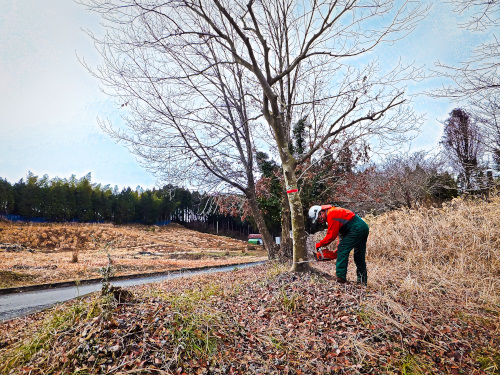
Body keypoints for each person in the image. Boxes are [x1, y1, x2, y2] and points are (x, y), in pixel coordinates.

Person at [309, 205, 369, 285]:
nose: (320, 222)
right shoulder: (332, 212)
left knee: (345, 250)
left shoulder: (331, 214)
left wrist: (320, 244)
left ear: (321, 213)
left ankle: (341, 278)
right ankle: (362, 281)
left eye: (319, 219)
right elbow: (340, 235)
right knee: (358, 256)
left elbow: (331, 235)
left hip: (357, 228)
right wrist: (336, 252)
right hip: (362, 227)